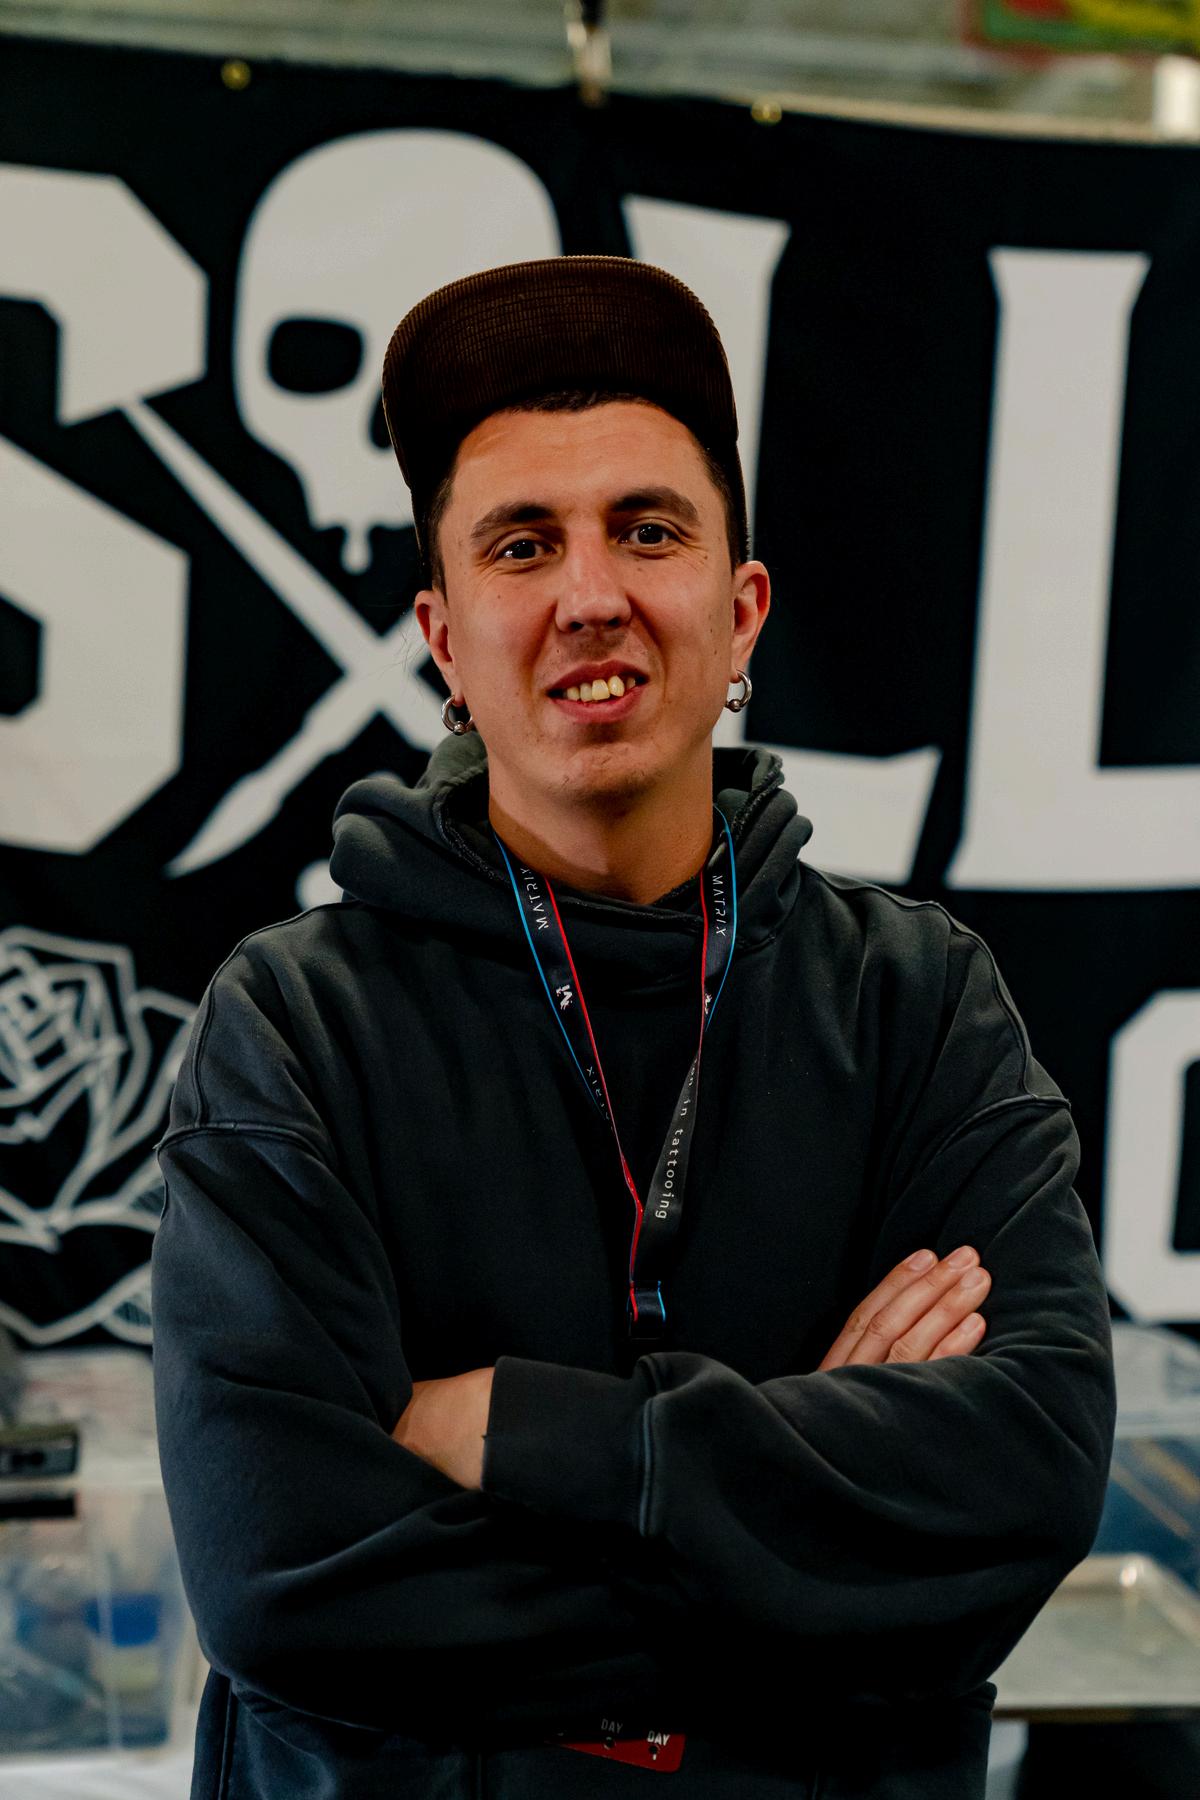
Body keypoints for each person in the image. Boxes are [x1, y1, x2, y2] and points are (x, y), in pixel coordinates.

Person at [151, 256, 1116, 1800]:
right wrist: (818, 1535)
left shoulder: (919, 1002)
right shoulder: (293, 1029)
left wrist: (528, 1436)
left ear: (743, 613)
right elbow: (286, 1580)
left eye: (648, 530)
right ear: (445, 640)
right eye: (522, 544)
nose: (590, 593)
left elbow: (1031, 1478)